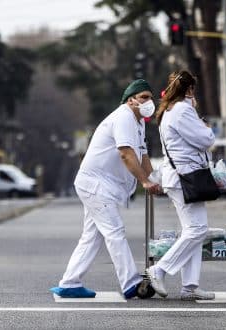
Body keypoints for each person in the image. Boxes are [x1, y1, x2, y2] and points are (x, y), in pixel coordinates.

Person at [50, 79, 160, 299]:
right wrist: (144, 182)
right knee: (115, 231)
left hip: (100, 186)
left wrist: (155, 179)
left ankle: (70, 283)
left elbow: (143, 155)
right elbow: (126, 154)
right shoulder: (123, 117)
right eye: (144, 97)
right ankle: (131, 283)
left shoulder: (138, 122)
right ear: (131, 100)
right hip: (95, 184)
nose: (149, 102)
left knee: (92, 237)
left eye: (151, 97)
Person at [146, 70, 215, 301]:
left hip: (179, 176)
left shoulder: (169, 110)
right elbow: (206, 140)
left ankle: (190, 285)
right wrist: (204, 124)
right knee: (197, 230)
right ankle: (160, 270)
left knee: (192, 231)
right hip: (185, 177)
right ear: (190, 90)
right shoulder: (183, 110)